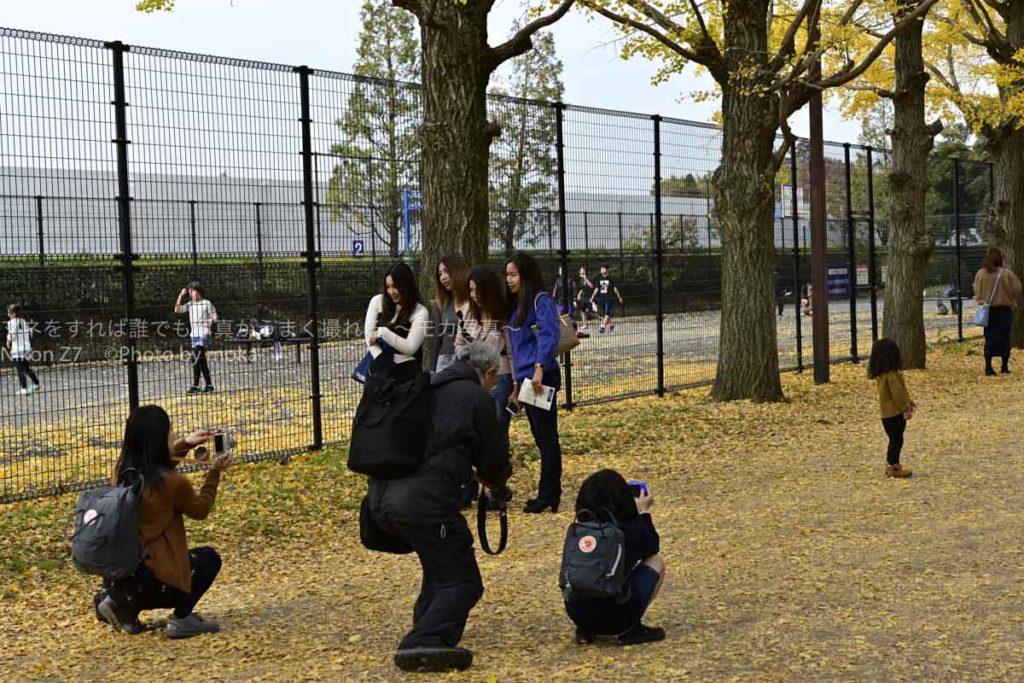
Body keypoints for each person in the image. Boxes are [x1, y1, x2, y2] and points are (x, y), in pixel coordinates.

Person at [366, 342, 512, 673]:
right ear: (488, 374)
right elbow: (494, 462)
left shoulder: (426, 387)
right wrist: (499, 484)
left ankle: (426, 624)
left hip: (382, 501)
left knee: (440, 565)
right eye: (494, 378)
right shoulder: (476, 397)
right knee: (464, 580)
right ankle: (424, 639)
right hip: (425, 506)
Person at [93, 405, 232, 638]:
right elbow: (200, 510)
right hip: (157, 581)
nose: (174, 434)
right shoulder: (172, 483)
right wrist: (214, 472)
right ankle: (182, 618)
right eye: (170, 430)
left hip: (124, 572)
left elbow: (156, 465)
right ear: (159, 438)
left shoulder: (122, 471)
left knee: (142, 567)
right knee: (208, 559)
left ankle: (120, 604)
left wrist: (186, 443)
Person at [564, 469, 666, 645]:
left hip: (577, 612)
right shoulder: (628, 530)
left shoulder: (579, 531)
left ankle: (586, 630)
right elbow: (652, 547)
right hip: (616, 617)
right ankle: (631, 628)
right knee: (656, 561)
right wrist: (643, 513)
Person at [506, 253, 564, 514]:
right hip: (528, 379)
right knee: (541, 436)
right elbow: (517, 349)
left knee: (547, 437)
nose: (509, 280)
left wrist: (539, 370)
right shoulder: (518, 306)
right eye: (507, 275)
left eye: (514, 274)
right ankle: (548, 492)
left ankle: (549, 493)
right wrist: (518, 386)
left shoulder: (542, 301)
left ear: (526, 275)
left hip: (541, 377)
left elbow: (548, 337)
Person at [455, 267, 512, 506]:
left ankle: (496, 488)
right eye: (470, 291)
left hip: (499, 378)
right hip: (474, 380)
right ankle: (469, 487)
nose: (474, 295)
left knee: (495, 434)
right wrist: (469, 357)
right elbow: (458, 344)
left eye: (478, 290)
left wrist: (517, 385)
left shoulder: (501, 316)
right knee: (470, 434)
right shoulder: (467, 313)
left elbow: (511, 352)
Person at [365, 262, 430, 382]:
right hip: (380, 372)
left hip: (408, 375)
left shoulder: (420, 312)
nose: (391, 291)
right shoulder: (377, 302)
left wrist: (382, 333)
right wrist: (381, 358)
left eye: (395, 286)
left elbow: (410, 347)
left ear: (406, 286)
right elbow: (369, 337)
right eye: (388, 287)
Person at [868, 339, 915, 479]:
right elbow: (898, 394)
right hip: (895, 414)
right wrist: (905, 408)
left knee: (894, 439)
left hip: (886, 415)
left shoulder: (881, 376)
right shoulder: (893, 376)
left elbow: (891, 394)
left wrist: (908, 401)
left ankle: (893, 464)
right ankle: (893, 465)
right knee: (897, 440)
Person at [973, 247, 1022, 375]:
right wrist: (1012, 298)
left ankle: (988, 366)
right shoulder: (1006, 274)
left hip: (988, 311)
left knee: (989, 337)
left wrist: (982, 299)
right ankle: (1004, 365)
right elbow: (1017, 288)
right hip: (1004, 310)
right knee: (1005, 336)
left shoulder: (981, 274)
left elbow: (976, 290)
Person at [174, 282, 218, 395]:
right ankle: (209, 385)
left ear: (197, 291)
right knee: (201, 361)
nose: (190, 294)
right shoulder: (191, 304)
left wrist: (211, 320)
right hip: (194, 335)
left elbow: (215, 317)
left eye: (191, 291)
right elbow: (177, 310)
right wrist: (180, 295)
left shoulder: (206, 303)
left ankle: (195, 385)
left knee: (196, 358)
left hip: (204, 334)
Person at [432, 255, 470, 373]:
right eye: (440, 274)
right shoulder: (440, 305)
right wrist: (432, 370)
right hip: (444, 361)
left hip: (468, 361)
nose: (443, 277)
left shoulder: (473, 302)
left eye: (446, 271)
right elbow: (437, 339)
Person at [6, 303, 40, 396]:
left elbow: (12, 335)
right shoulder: (24, 321)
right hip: (27, 348)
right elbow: (31, 332)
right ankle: (36, 383)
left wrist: (8, 342)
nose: (8, 315)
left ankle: (24, 389)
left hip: (18, 350)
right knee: (27, 368)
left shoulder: (11, 323)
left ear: (13, 314)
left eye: (9, 313)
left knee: (20, 369)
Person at [591, 265, 624, 334]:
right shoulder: (599, 279)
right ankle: (611, 325)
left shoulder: (611, 279)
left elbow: (615, 289)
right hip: (601, 298)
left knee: (607, 312)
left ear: (607, 270)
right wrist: (592, 296)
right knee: (603, 314)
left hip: (609, 298)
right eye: (601, 269)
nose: (602, 270)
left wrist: (619, 297)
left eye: (603, 269)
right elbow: (596, 288)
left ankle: (602, 326)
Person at [574, 267, 595, 337]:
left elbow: (591, 286)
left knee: (591, 311)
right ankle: (585, 324)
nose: (581, 272)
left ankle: (603, 320)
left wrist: (585, 278)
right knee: (582, 311)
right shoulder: (581, 279)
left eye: (582, 270)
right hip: (583, 297)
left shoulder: (588, 277)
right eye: (580, 271)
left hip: (589, 296)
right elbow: (582, 288)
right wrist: (579, 294)